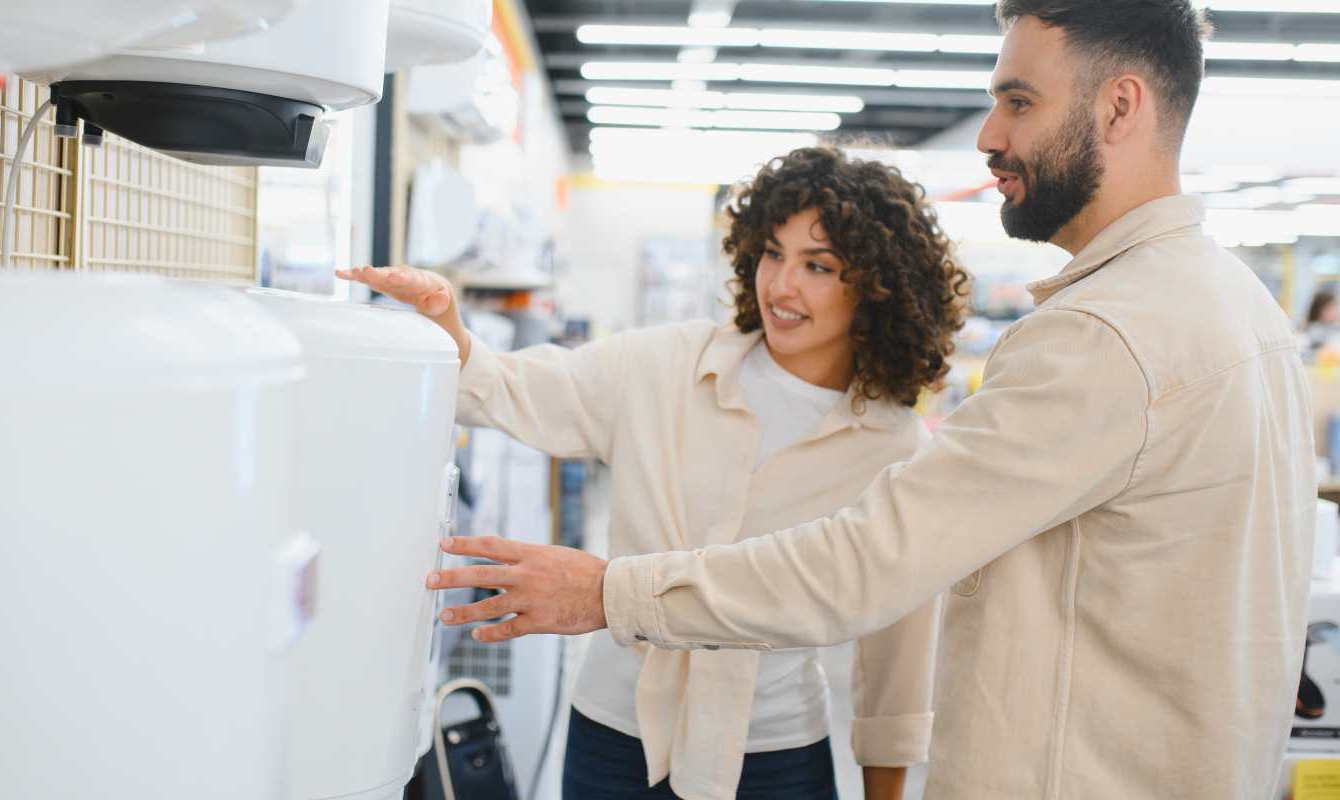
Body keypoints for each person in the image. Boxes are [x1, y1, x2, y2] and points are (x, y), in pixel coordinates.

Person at [424, 2, 1318, 798]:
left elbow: (866, 571)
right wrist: (442, 346)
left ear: (1120, 106)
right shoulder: (1244, 312)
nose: (989, 135)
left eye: (1018, 101)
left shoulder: (1101, 337)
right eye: (774, 255)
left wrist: (610, 591)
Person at [340, 146, 970, 800]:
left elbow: (898, 646)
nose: (782, 286)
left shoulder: (892, 444)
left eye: (818, 266)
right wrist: (447, 327)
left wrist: (885, 789)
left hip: (774, 757)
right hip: (615, 739)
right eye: (772, 253)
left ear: (877, 285)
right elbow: (508, 389)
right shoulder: (667, 363)